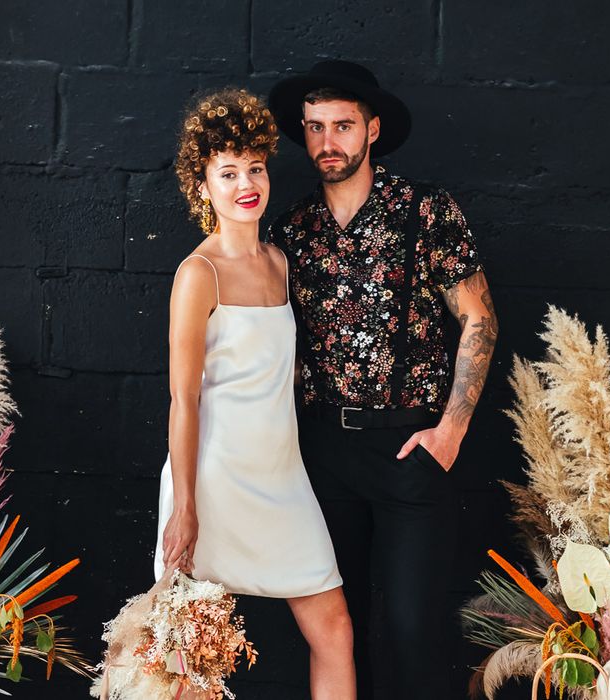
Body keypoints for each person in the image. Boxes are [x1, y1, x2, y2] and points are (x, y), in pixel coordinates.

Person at [267, 61, 499, 698]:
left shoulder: (425, 211)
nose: (326, 142)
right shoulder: (292, 230)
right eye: (314, 128)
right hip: (321, 455)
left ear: (372, 130)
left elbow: (479, 320)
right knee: (335, 634)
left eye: (342, 126)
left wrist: (449, 433)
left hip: (408, 450)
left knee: (410, 632)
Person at [153, 88, 356, 700]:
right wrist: (185, 507)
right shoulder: (199, 274)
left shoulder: (278, 263)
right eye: (228, 172)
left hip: (280, 478)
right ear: (204, 186)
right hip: (213, 480)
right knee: (188, 654)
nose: (247, 183)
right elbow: (183, 401)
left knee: (335, 629)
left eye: (256, 167)